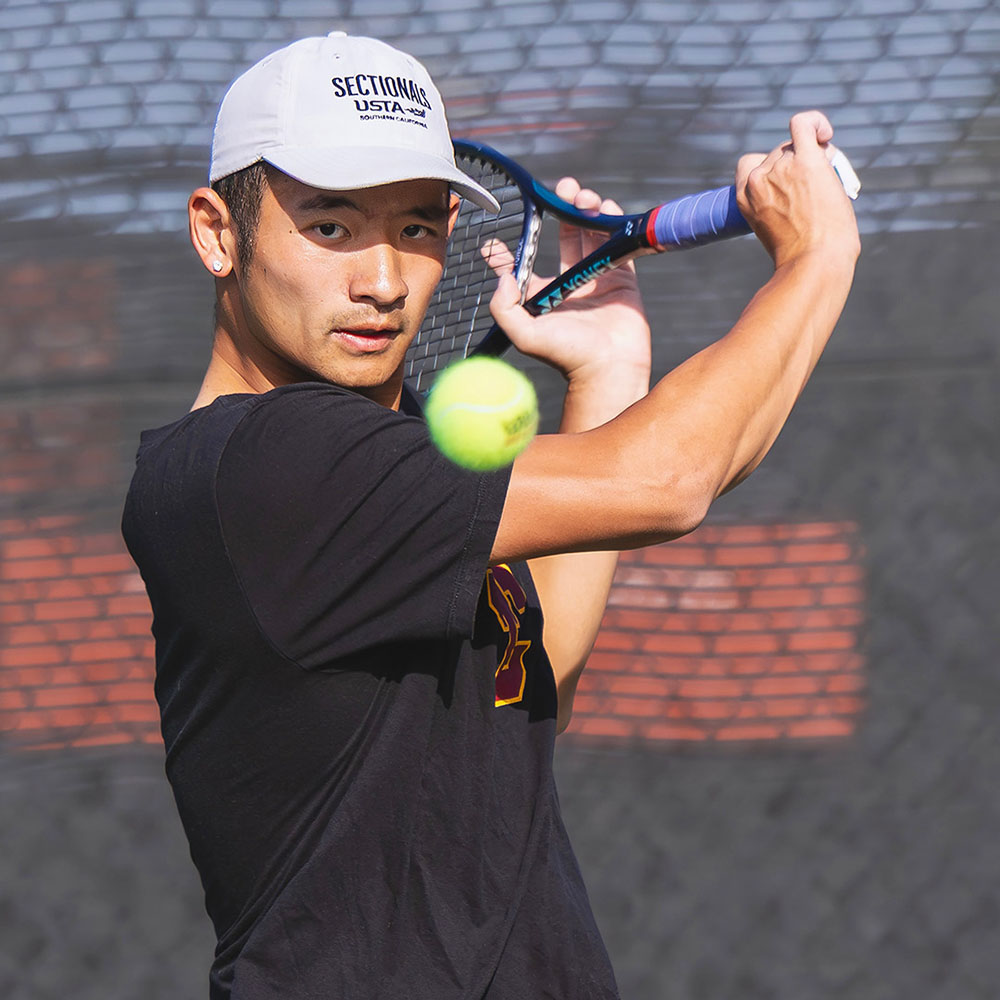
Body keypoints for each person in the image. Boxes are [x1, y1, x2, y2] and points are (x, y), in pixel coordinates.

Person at [121, 31, 859, 1000]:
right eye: (332, 228)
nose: (382, 282)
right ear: (217, 230)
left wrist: (606, 377)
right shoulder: (263, 460)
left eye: (418, 229)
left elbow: (526, 677)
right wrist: (814, 259)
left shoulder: (379, 482)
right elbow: (671, 481)